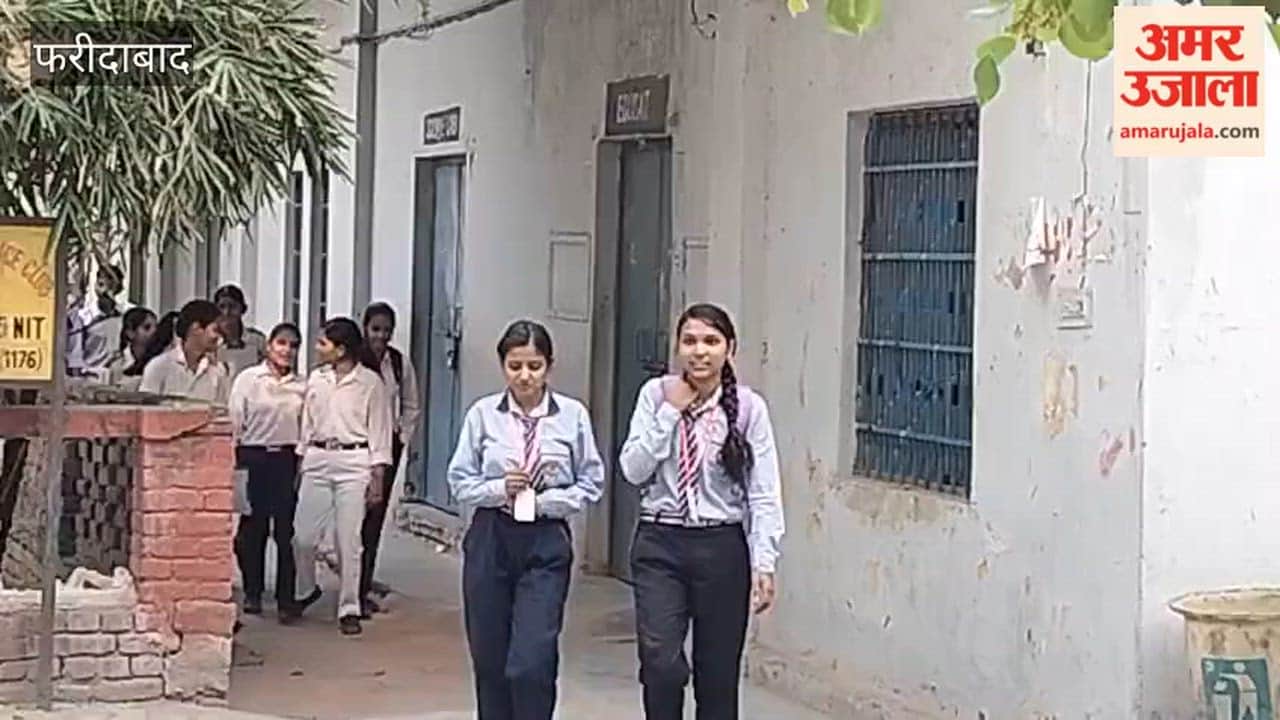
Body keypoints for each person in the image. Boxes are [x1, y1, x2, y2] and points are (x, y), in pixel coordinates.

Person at [618, 303, 785, 720]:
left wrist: (764, 560)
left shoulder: (748, 408)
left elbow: (763, 491)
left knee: (718, 676)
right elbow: (633, 469)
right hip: (661, 542)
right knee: (662, 666)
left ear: (730, 348)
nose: (700, 352)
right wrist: (670, 412)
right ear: (677, 347)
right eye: (690, 341)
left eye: (711, 341)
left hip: (721, 546)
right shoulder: (655, 396)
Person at [447, 320, 605, 720]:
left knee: (531, 660)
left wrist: (550, 500)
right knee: (490, 657)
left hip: (545, 538)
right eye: (515, 366)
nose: (525, 376)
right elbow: (460, 480)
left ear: (549, 367)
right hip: (492, 533)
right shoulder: (484, 415)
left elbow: (592, 481)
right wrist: (501, 487)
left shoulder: (572, 416)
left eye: (534, 366)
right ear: (503, 366)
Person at [292, 317, 392, 636]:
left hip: (354, 460)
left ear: (341, 349)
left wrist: (377, 476)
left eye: (324, 343)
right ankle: (306, 588)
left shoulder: (370, 383)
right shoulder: (317, 379)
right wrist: (302, 458)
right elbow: (306, 422)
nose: (318, 348)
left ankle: (349, 606)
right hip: (318, 457)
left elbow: (380, 431)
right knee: (303, 536)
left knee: (349, 540)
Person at [229, 323, 307, 623]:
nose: (287, 350)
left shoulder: (303, 385)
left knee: (286, 532)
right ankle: (253, 591)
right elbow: (236, 422)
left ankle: (286, 598)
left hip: (286, 460)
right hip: (253, 456)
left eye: (293, 345)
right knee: (252, 530)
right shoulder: (248, 380)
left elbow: (307, 425)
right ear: (269, 346)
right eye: (282, 343)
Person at [358, 302, 421, 614]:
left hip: (386, 449)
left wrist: (402, 437)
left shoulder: (398, 363)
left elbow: (411, 403)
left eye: (386, 330)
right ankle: (349, 584)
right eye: (375, 329)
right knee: (351, 518)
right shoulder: (354, 360)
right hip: (357, 446)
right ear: (365, 328)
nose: (380, 336)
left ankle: (362, 585)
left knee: (375, 516)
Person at [138, 300, 229, 404]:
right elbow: (146, 410)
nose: (219, 337)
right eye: (215, 330)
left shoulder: (218, 370)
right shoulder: (159, 366)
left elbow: (221, 410)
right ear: (196, 328)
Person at [75, 265, 129, 377]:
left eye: (110, 280)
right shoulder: (83, 316)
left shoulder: (126, 315)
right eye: (100, 281)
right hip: (89, 374)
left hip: (117, 373)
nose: (105, 286)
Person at [214, 284, 268, 379]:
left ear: (243, 309)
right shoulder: (210, 342)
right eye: (221, 307)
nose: (226, 312)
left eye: (232, 306)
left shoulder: (257, 341)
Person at [107, 307, 157, 388]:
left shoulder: (157, 360)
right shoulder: (118, 365)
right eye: (147, 327)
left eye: (156, 327)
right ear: (130, 333)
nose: (154, 331)